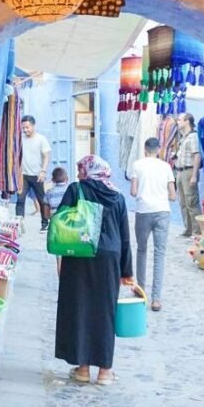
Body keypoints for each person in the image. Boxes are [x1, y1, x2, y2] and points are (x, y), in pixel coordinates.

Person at [54, 155, 134, 385]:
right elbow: (125, 236)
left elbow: (60, 223)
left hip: (79, 255)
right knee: (104, 312)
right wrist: (126, 271)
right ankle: (105, 372)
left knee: (80, 308)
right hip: (109, 259)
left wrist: (59, 257)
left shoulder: (76, 190)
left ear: (87, 171)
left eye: (81, 169)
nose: (79, 173)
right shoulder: (117, 196)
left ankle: (82, 368)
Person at [129, 136, 176, 312]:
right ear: (159, 150)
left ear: (144, 150)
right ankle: (156, 299)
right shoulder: (166, 167)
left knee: (141, 250)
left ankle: (141, 290)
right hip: (162, 211)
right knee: (160, 254)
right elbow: (173, 195)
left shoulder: (137, 165)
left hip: (143, 211)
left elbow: (133, 191)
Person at [16, 115, 51, 232]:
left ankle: (45, 224)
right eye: (23, 128)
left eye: (27, 127)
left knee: (42, 201)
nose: (25, 130)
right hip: (23, 175)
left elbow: (46, 156)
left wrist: (43, 171)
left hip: (37, 175)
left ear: (33, 126)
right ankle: (18, 225)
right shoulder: (20, 139)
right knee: (20, 200)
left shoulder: (41, 139)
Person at [174, 113, 201, 237]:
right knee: (183, 203)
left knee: (192, 202)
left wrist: (194, 175)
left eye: (179, 120)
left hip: (189, 171)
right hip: (180, 171)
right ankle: (188, 229)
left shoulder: (193, 136)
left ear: (187, 121)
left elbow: (197, 155)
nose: (177, 122)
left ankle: (197, 231)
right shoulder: (184, 137)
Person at [45, 167, 69, 276]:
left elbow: (46, 214)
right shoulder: (71, 191)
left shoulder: (49, 193)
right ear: (67, 179)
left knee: (59, 258)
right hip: (70, 227)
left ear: (53, 180)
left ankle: (61, 283)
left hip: (56, 228)